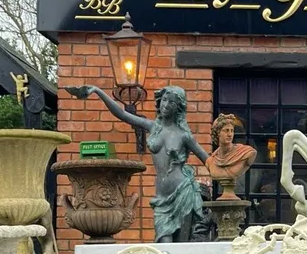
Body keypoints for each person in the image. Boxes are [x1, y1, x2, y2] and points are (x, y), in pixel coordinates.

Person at [65, 84, 209, 242]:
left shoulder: (184, 135)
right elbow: (122, 114)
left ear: (178, 108)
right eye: (165, 100)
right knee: (164, 242)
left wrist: (228, 168)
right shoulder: (153, 127)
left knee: (182, 248)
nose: (166, 105)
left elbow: (207, 160)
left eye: (172, 103)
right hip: (162, 199)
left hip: (183, 193)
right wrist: (98, 91)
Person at [206, 113, 257, 200]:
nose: (230, 134)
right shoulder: (210, 161)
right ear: (218, 133)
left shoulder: (246, 152)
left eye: (232, 131)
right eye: (226, 130)